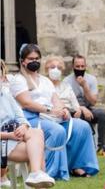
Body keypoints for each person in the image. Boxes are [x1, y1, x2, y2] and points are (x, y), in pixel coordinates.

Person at [9, 44, 70, 180]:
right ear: (23, 61)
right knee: (57, 130)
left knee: (80, 127)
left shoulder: (45, 80)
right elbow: (26, 103)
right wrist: (51, 111)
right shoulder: (18, 80)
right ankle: (50, 171)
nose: (34, 61)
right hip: (30, 118)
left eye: (37, 58)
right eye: (31, 59)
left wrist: (63, 110)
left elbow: (56, 99)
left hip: (50, 116)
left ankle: (78, 167)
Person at [0, 59, 55, 188]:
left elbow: (21, 116)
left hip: (15, 136)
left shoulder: (6, 94)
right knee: (37, 150)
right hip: (3, 140)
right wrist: (10, 136)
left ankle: (36, 173)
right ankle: (37, 174)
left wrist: (24, 127)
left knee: (36, 132)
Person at [44, 55, 99, 177]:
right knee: (62, 129)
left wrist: (80, 109)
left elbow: (76, 105)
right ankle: (60, 167)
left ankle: (78, 165)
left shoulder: (65, 86)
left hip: (67, 117)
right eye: (52, 67)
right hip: (49, 118)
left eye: (59, 67)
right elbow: (41, 104)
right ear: (46, 69)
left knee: (83, 126)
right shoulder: (43, 84)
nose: (56, 70)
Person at [63, 54, 105, 156]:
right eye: (77, 67)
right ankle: (84, 148)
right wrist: (82, 108)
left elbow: (93, 102)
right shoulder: (66, 81)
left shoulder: (91, 79)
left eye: (82, 66)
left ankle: (101, 147)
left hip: (89, 108)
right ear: (73, 67)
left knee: (102, 114)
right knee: (78, 115)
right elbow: (66, 103)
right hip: (73, 110)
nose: (80, 69)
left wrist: (85, 86)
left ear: (85, 67)